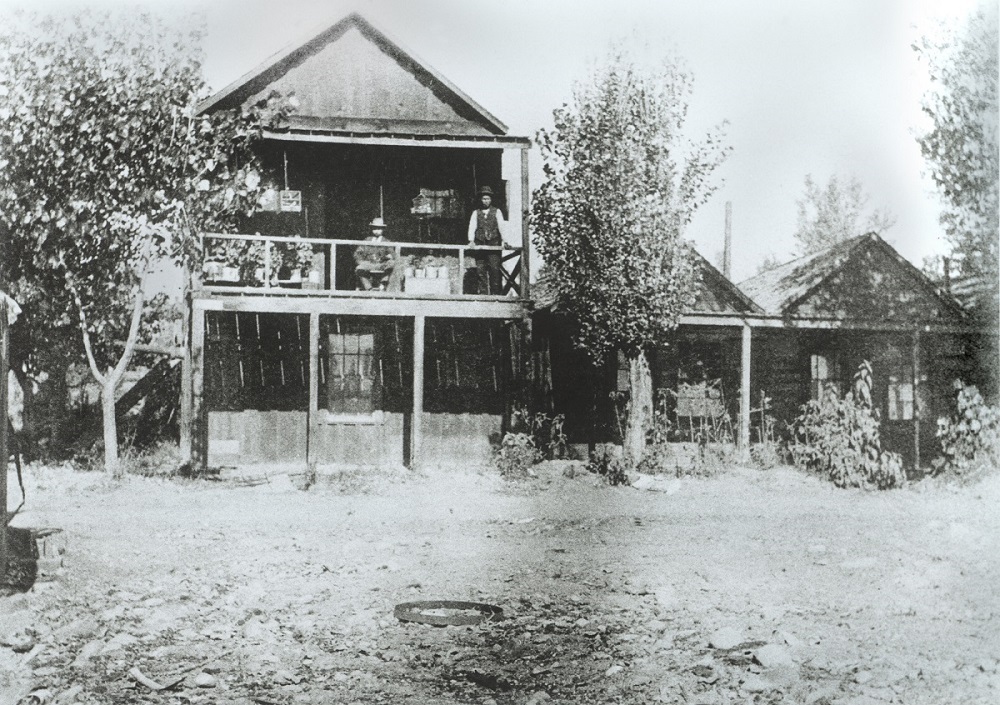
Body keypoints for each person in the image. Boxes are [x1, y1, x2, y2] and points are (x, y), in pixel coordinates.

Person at [467, 185, 508, 294]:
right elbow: (472, 227)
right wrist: (471, 240)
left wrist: (504, 240)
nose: (486, 201)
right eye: (484, 199)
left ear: (491, 199)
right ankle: (484, 294)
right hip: (480, 245)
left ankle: (495, 294)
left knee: (494, 270)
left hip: (494, 244)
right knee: (481, 270)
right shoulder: (476, 213)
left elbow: (502, 227)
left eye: (488, 199)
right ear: (480, 199)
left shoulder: (497, 212)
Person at [354, 217, 394, 290]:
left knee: (391, 263)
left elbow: (392, 254)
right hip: (369, 263)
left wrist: (389, 256)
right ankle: (369, 288)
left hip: (381, 264)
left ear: (383, 230)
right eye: (374, 228)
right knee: (359, 269)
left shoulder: (387, 242)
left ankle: (383, 284)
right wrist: (361, 262)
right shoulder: (367, 240)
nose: (376, 231)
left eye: (379, 229)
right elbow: (357, 253)